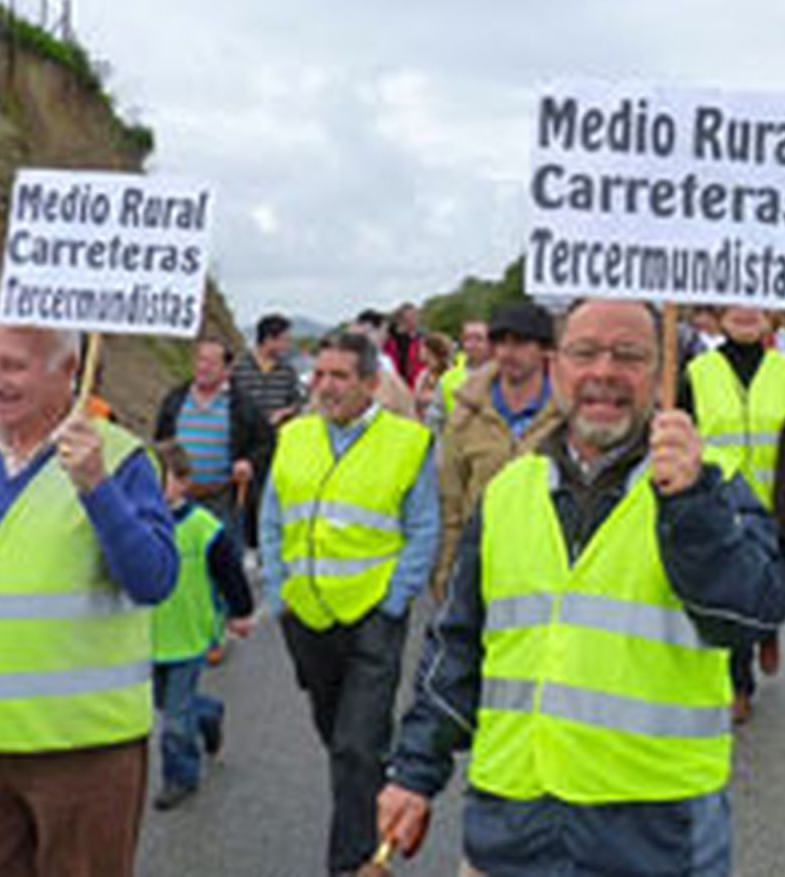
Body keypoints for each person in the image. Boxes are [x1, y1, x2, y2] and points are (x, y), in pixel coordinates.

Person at [378, 299, 785, 876]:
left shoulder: (712, 481)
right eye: (585, 352)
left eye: (629, 355)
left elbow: (754, 612)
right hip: (511, 829)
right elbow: (457, 645)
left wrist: (692, 506)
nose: (604, 371)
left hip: (655, 836)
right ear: (556, 367)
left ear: (661, 372)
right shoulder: (509, 491)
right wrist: (413, 773)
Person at [0, 323, 176, 877]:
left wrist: (97, 487)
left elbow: (154, 579)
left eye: (13, 365)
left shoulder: (120, 458)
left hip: (82, 749)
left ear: (69, 372)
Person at [258, 330, 439, 875]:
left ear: (370, 383)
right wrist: (279, 592)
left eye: (339, 376)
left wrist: (393, 601)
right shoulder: (295, 436)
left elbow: (423, 528)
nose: (325, 386)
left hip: (372, 619)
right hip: (306, 617)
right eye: (320, 374)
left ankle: (355, 864)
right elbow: (271, 518)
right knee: (342, 740)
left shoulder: (408, 442)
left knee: (356, 746)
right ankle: (383, 799)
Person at [679, 305, 785, 723]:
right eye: (735, 309)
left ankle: (768, 628)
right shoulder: (697, 373)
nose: (745, 314)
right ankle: (739, 684)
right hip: (723, 502)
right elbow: (682, 428)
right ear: (721, 317)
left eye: (754, 308)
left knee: (772, 584)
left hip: (776, 502)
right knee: (732, 592)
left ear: (769, 317)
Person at [148, 440, 255, 810]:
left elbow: (230, 573)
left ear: (183, 482)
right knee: (164, 703)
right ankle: (208, 713)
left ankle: (180, 776)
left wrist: (240, 612)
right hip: (149, 637)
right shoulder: (138, 524)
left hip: (190, 634)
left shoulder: (203, 527)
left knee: (174, 720)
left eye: (162, 478)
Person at [435, 302, 560, 599]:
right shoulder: (466, 415)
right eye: (500, 342)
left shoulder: (568, 415)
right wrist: (446, 569)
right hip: (479, 560)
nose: (507, 352)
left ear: (545, 350)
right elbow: (452, 503)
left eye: (520, 343)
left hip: (547, 564)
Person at [153, 335, 273, 530]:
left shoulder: (242, 404)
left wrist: (249, 463)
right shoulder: (176, 399)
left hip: (221, 498)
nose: (203, 367)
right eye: (200, 359)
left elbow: (266, 442)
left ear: (227, 369)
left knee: (222, 547)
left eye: (211, 362)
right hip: (178, 497)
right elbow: (160, 441)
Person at [232, 313, 305, 427]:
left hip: (277, 433)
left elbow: (296, 403)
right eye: (284, 340)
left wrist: (285, 412)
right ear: (269, 339)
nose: (287, 345)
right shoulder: (239, 368)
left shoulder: (287, 371)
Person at [436, 318, 492, 420]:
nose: (472, 344)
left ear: (490, 342)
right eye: (468, 339)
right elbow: (435, 419)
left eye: (479, 339)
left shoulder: (505, 374)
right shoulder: (447, 378)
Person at [412, 331, 456, 431]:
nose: (419, 350)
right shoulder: (423, 375)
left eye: (422, 347)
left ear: (430, 350)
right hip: (423, 429)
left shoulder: (450, 374)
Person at [385, 303, 426, 388]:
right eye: (411, 316)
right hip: (398, 384)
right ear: (401, 319)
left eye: (416, 315)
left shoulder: (422, 337)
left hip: (418, 384)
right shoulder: (390, 340)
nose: (415, 319)